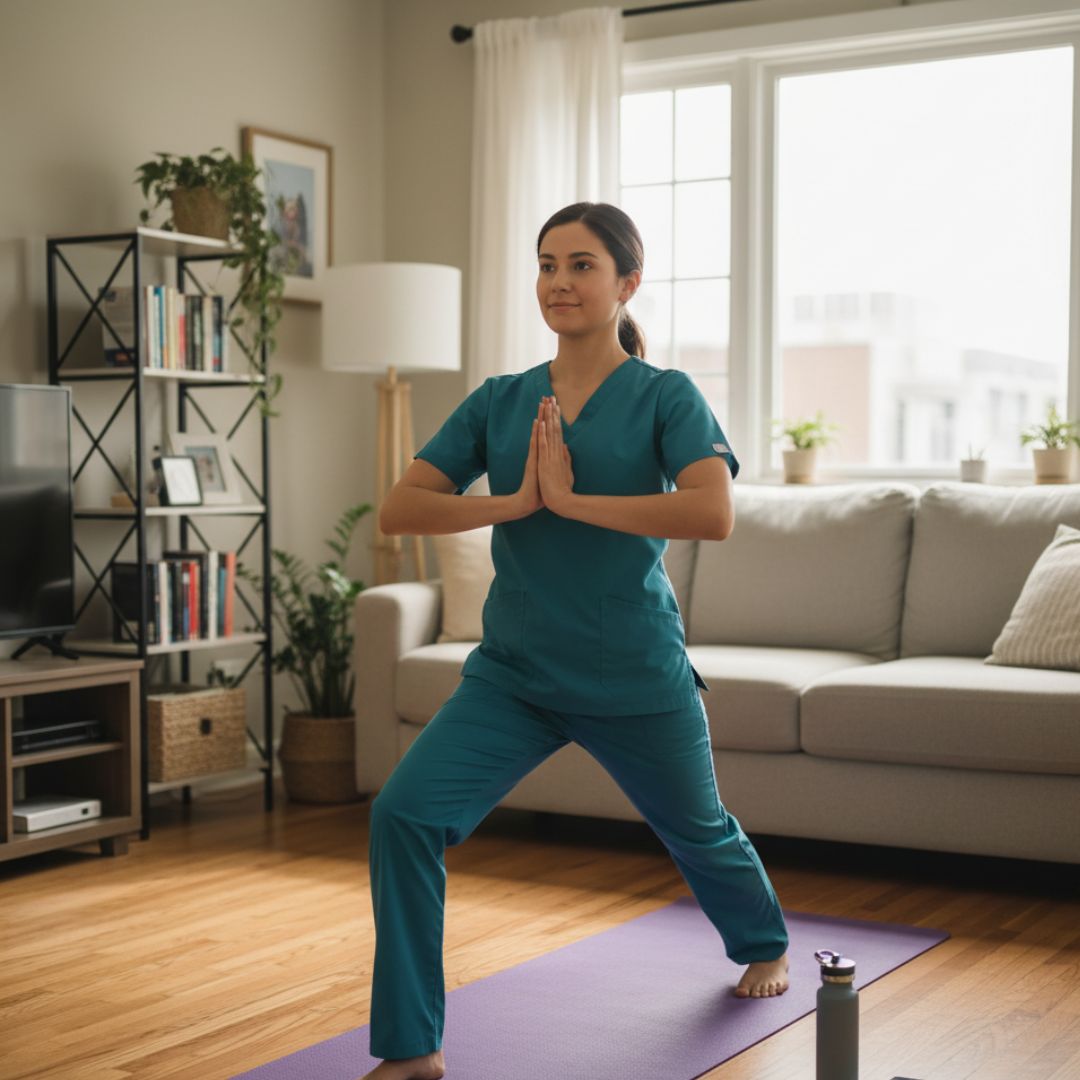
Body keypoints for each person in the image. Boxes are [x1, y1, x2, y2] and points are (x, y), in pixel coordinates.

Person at [360, 202, 790, 1080]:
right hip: (515, 674)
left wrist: (574, 502)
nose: (559, 281)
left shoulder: (666, 395)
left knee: (699, 830)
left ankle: (765, 943)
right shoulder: (502, 400)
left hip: (634, 670)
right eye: (547, 264)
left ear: (627, 282)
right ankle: (412, 1050)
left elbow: (712, 512)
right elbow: (401, 507)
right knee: (403, 813)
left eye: (583, 265)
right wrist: (515, 502)